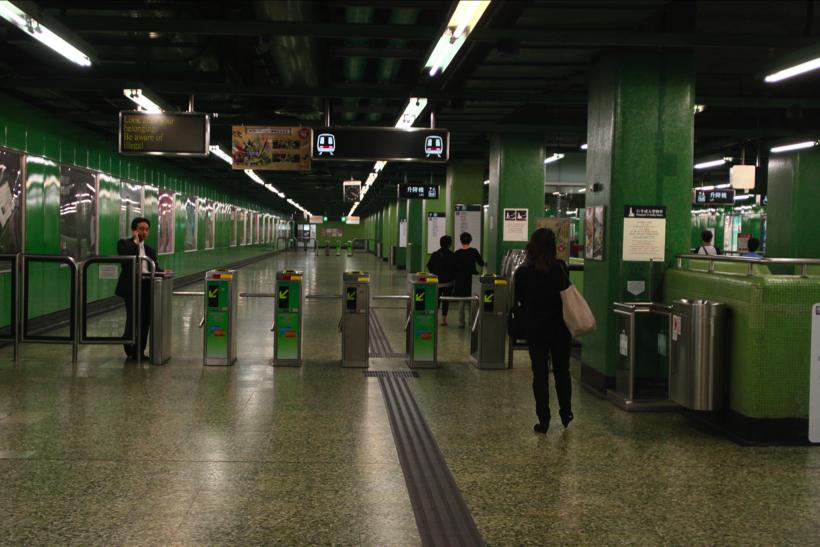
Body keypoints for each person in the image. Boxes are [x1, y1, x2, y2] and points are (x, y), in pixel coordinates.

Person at [513, 228, 573, 434]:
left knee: (540, 375)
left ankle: (543, 419)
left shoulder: (523, 273)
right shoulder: (560, 269)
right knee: (562, 371)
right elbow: (567, 295)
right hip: (560, 329)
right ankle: (566, 413)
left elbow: (519, 300)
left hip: (536, 329)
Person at [116, 217, 164, 360]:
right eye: (141, 229)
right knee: (133, 317)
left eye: (147, 230)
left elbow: (155, 267)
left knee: (145, 319)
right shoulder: (124, 244)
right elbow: (126, 258)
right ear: (134, 230)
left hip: (146, 286)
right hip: (131, 287)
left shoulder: (150, 250)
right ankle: (129, 346)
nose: (144, 232)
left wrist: (163, 271)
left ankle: (140, 350)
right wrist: (136, 242)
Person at [453, 232, 485, 328]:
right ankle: (472, 321)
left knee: (461, 301)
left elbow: (454, 267)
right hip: (472, 278)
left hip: (460, 279)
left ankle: (461, 322)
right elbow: (481, 263)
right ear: (470, 241)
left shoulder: (457, 253)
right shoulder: (473, 251)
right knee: (472, 300)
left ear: (461, 241)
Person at [426, 235, 456, 326]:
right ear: (449, 244)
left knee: (436, 300)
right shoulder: (452, 255)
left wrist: (434, 273)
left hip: (437, 282)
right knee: (446, 301)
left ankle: (434, 317)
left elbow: (429, 265)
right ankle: (444, 319)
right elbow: (455, 268)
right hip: (448, 282)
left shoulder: (435, 254)